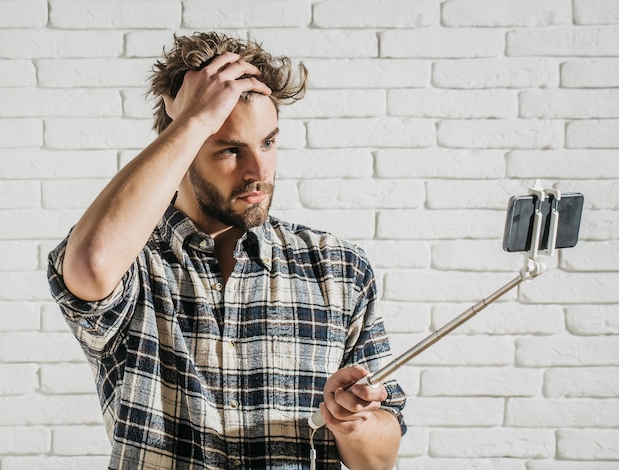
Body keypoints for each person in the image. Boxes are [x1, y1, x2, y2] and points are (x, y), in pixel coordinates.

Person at [47, 31, 406, 470]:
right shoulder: (135, 262)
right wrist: (194, 121)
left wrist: (354, 423)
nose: (260, 172)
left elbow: (381, 458)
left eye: (268, 143)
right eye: (231, 150)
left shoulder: (338, 267)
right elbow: (90, 264)